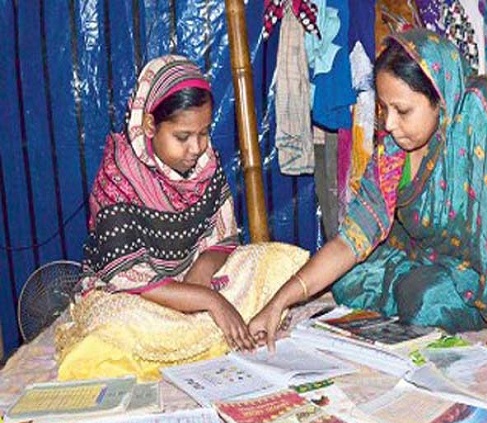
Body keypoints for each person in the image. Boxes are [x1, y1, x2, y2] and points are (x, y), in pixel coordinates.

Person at [249, 29, 487, 365]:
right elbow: (352, 237)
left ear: (440, 98)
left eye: (402, 110)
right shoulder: (393, 152)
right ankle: (411, 289)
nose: (389, 124)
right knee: (347, 281)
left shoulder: (477, 113)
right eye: (384, 108)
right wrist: (279, 302)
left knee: (424, 299)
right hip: (425, 259)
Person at [56, 55, 308, 380]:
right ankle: (207, 330)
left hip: (194, 282)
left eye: (204, 133)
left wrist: (203, 268)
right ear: (150, 125)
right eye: (183, 136)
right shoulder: (119, 176)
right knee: (112, 329)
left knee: (274, 261)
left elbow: (224, 237)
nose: (196, 148)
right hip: (139, 297)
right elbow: (128, 279)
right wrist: (212, 301)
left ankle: (197, 332)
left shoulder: (205, 164)